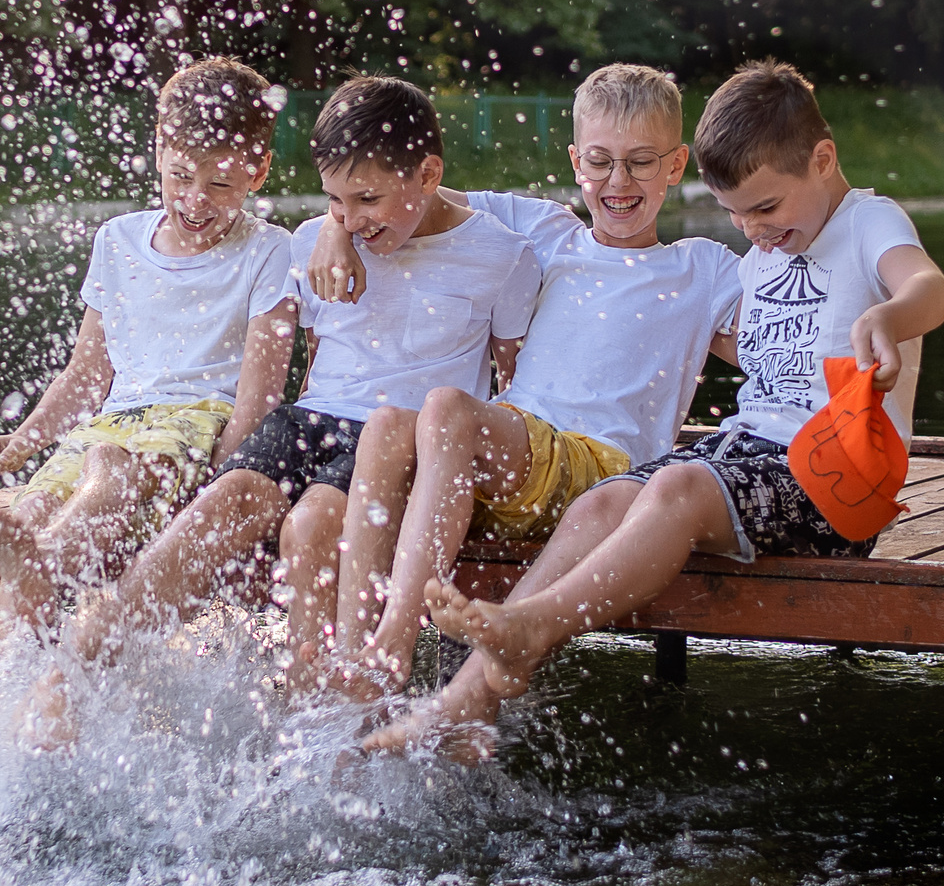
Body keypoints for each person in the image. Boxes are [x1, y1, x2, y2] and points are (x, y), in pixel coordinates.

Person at [393, 59, 944, 758]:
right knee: (602, 504)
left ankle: (529, 626)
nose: (751, 229)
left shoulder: (867, 221)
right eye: (735, 214)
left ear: (823, 159)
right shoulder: (766, 250)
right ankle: (468, 694)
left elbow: (930, 288)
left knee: (677, 485)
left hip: (835, 473)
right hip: (751, 447)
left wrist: (892, 318)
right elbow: (741, 340)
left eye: (764, 209)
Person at [38, 75, 543, 744]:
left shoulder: (502, 256)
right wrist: (334, 226)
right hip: (308, 422)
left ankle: (319, 725)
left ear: (428, 174)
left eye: (366, 199)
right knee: (226, 503)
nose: (354, 216)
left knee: (311, 527)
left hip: (395, 442)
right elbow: (293, 326)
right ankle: (80, 658)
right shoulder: (313, 239)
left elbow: (512, 380)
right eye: (336, 199)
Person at [303, 64, 741, 711]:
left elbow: (785, 340)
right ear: (575, 159)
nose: (618, 182)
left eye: (640, 162)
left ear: (676, 165)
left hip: (598, 469)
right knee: (391, 424)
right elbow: (394, 189)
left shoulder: (701, 267)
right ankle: (351, 658)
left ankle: (393, 645)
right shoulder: (543, 229)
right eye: (599, 161)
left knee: (447, 407)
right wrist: (331, 229)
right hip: (512, 459)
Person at [0, 57, 298, 704]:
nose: (196, 200)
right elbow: (88, 375)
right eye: (181, 177)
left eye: (221, 185)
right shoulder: (118, 240)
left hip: (195, 424)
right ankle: (21, 693)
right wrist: (25, 441)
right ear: (159, 153)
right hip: (107, 427)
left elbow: (259, 399)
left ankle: (47, 559)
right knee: (34, 507)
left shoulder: (269, 251)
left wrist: (215, 486)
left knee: (115, 468)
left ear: (257, 171)